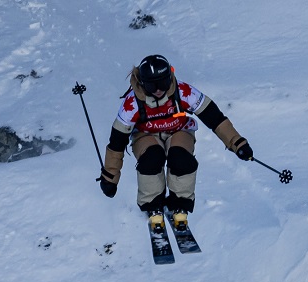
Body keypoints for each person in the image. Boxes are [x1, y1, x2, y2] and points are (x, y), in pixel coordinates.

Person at [97, 54, 253, 223]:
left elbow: (214, 118)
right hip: (146, 135)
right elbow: (117, 142)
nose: (158, 90)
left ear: (170, 77)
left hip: (179, 131)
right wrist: (110, 177)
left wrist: (237, 143)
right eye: (151, 85)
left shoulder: (183, 92)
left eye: (163, 83)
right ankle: (152, 204)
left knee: (181, 158)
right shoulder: (132, 103)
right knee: (152, 158)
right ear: (142, 83)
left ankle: (180, 203)